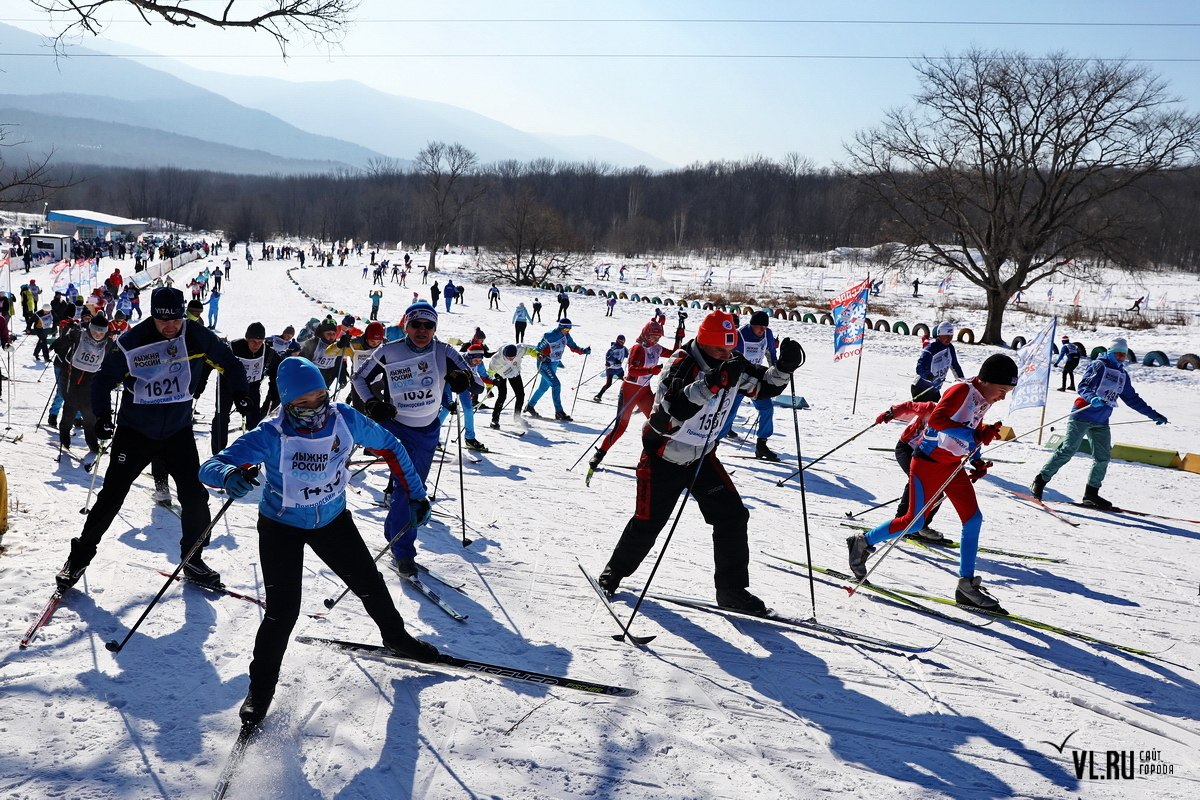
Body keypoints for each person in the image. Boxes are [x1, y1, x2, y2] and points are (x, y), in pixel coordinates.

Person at [199, 358, 438, 729]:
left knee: (370, 584)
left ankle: (397, 637)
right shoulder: (270, 433)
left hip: (332, 521)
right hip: (282, 527)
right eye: (305, 403)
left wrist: (417, 495)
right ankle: (260, 691)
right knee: (283, 612)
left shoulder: (345, 418)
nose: (316, 409)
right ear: (288, 403)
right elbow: (210, 466)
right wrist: (229, 475)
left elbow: (392, 447)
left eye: (321, 397)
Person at [595, 310, 804, 612]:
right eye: (720, 349)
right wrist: (712, 383)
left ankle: (732, 592)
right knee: (648, 523)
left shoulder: (731, 361)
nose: (726, 354)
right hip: (663, 456)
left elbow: (763, 387)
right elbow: (668, 415)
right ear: (704, 342)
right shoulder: (680, 365)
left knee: (732, 517)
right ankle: (613, 574)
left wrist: (784, 368)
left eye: (730, 348)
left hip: (702, 457)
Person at [54, 287, 251, 593]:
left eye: (175, 319)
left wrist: (240, 392)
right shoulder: (133, 341)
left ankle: (193, 559)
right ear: (153, 315)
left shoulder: (197, 335)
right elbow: (104, 380)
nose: (170, 326)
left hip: (177, 431)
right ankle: (77, 559)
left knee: (195, 497)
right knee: (111, 497)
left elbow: (230, 362)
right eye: (163, 320)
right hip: (136, 431)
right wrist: (103, 416)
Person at [847, 354, 1019, 611]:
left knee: (973, 519)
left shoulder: (983, 398)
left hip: (952, 465)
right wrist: (973, 434)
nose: (1003, 397)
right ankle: (863, 541)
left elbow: (973, 427)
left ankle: (967, 585)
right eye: (1002, 390)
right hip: (928, 463)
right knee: (914, 521)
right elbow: (938, 420)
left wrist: (978, 459)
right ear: (985, 380)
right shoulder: (962, 389)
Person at [350, 301, 478, 572]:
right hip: (398, 429)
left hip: (428, 432)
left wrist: (462, 378)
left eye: (428, 325)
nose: (422, 330)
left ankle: (394, 533)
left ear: (435, 328)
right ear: (406, 326)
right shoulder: (388, 351)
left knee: (410, 488)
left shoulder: (444, 351)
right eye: (416, 324)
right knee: (409, 491)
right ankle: (403, 551)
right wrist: (372, 403)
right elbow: (359, 379)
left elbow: (476, 381)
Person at [1030, 337, 1167, 510]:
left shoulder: (1122, 375)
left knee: (1103, 457)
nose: (1120, 357)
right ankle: (1040, 481)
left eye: (1123, 355)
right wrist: (1092, 398)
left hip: (1101, 421)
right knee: (1068, 450)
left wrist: (1153, 414)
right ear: (1109, 352)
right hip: (1081, 415)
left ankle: (1091, 494)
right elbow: (1083, 386)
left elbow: (1132, 399)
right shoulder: (1099, 365)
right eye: (1117, 354)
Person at [587, 319, 684, 476]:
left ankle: (660, 459)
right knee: (621, 426)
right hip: (630, 390)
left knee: (659, 423)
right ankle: (599, 454)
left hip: (644, 391)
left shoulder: (657, 348)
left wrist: (678, 337)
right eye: (653, 337)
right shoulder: (638, 348)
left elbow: (675, 354)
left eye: (658, 338)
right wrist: (650, 370)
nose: (655, 341)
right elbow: (632, 370)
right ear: (646, 334)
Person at [874, 399, 945, 541]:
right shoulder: (930, 407)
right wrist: (891, 413)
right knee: (915, 482)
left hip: (925, 455)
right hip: (906, 448)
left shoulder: (954, 422)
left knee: (938, 493)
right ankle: (899, 522)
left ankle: (921, 527)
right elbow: (908, 406)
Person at [718, 311, 783, 460]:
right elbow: (728, 359)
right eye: (759, 326)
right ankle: (714, 444)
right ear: (752, 325)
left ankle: (761, 445)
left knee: (767, 408)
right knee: (730, 411)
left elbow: (771, 354)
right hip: (738, 379)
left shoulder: (767, 335)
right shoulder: (740, 336)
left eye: (764, 327)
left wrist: (779, 373)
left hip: (755, 378)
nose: (762, 330)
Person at [210, 322, 280, 454]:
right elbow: (211, 360)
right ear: (247, 338)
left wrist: (274, 391)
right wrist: (199, 387)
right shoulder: (233, 347)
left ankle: (252, 451)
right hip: (227, 387)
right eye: (253, 341)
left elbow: (277, 369)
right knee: (221, 417)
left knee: (254, 420)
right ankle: (218, 451)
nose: (256, 345)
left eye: (260, 341)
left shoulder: (268, 352)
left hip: (251, 387)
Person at [53, 313, 112, 468]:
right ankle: (64, 435)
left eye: (101, 332)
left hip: (91, 382)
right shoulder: (79, 336)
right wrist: (67, 336)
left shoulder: (108, 343)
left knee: (89, 414)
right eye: (95, 331)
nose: (98, 335)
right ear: (90, 328)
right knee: (70, 411)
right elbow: (58, 346)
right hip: (71, 377)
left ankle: (92, 443)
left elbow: (114, 361)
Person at [525, 318, 591, 421]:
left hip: (554, 364)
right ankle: (559, 412)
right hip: (544, 363)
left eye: (569, 330)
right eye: (566, 329)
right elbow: (537, 349)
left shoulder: (566, 336)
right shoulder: (550, 335)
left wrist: (583, 351)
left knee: (543, 387)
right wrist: (540, 356)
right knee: (556, 385)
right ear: (560, 327)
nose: (567, 331)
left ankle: (530, 406)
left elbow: (573, 347)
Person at [911, 322, 964, 402]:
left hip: (934, 390)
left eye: (951, 336)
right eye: (947, 336)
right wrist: (931, 377)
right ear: (940, 335)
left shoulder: (950, 348)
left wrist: (962, 381)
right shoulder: (931, 349)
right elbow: (920, 368)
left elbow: (955, 366)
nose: (949, 339)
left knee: (938, 413)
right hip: (921, 387)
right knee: (926, 413)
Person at [486, 344, 529, 432]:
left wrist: (538, 355)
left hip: (514, 372)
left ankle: (517, 417)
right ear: (504, 355)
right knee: (502, 396)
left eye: (513, 357)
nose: (511, 359)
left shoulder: (519, 349)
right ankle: (494, 420)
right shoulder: (496, 360)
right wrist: (489, 388)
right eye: (509, 357)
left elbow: (530, 350)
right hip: (500, 373)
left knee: (520, 394)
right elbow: (489, 374)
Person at [298, 320, 345, 388]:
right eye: (328, 333)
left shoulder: (337, 345)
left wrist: (342, 377)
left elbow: (339, 364)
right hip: (313, 373)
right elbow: (302, 360)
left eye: (333, 334)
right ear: (322, 333)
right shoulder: (314, 343)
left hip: (328, 375)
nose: (331, 336)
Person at [593, 335, 629, 403]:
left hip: (619, 369)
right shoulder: (613, 348)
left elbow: (628, 355)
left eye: (623, 341)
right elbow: (608, 357)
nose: (622, 342)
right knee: (609, 384)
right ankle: (598, 396)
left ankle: (623, 396)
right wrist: (615, 360)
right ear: (617, 340)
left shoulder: (624, 349)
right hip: (611, 369)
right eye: (620, 341)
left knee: (626, 381)